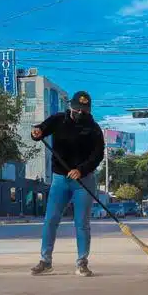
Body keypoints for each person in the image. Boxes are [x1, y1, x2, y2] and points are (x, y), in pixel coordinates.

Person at [29, 91, 104, 277]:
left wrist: (81, 169)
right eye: (77, 109)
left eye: (84, 110)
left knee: (81, 223)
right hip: (60, 179)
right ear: (70, 106)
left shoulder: (93, 128)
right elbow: (41, 130)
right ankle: (45, 261)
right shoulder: (58, 119)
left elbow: (98, 155)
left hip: (83, 181)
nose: (80, 113)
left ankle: (82, 262)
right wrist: (36, 132)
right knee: (51, 220)